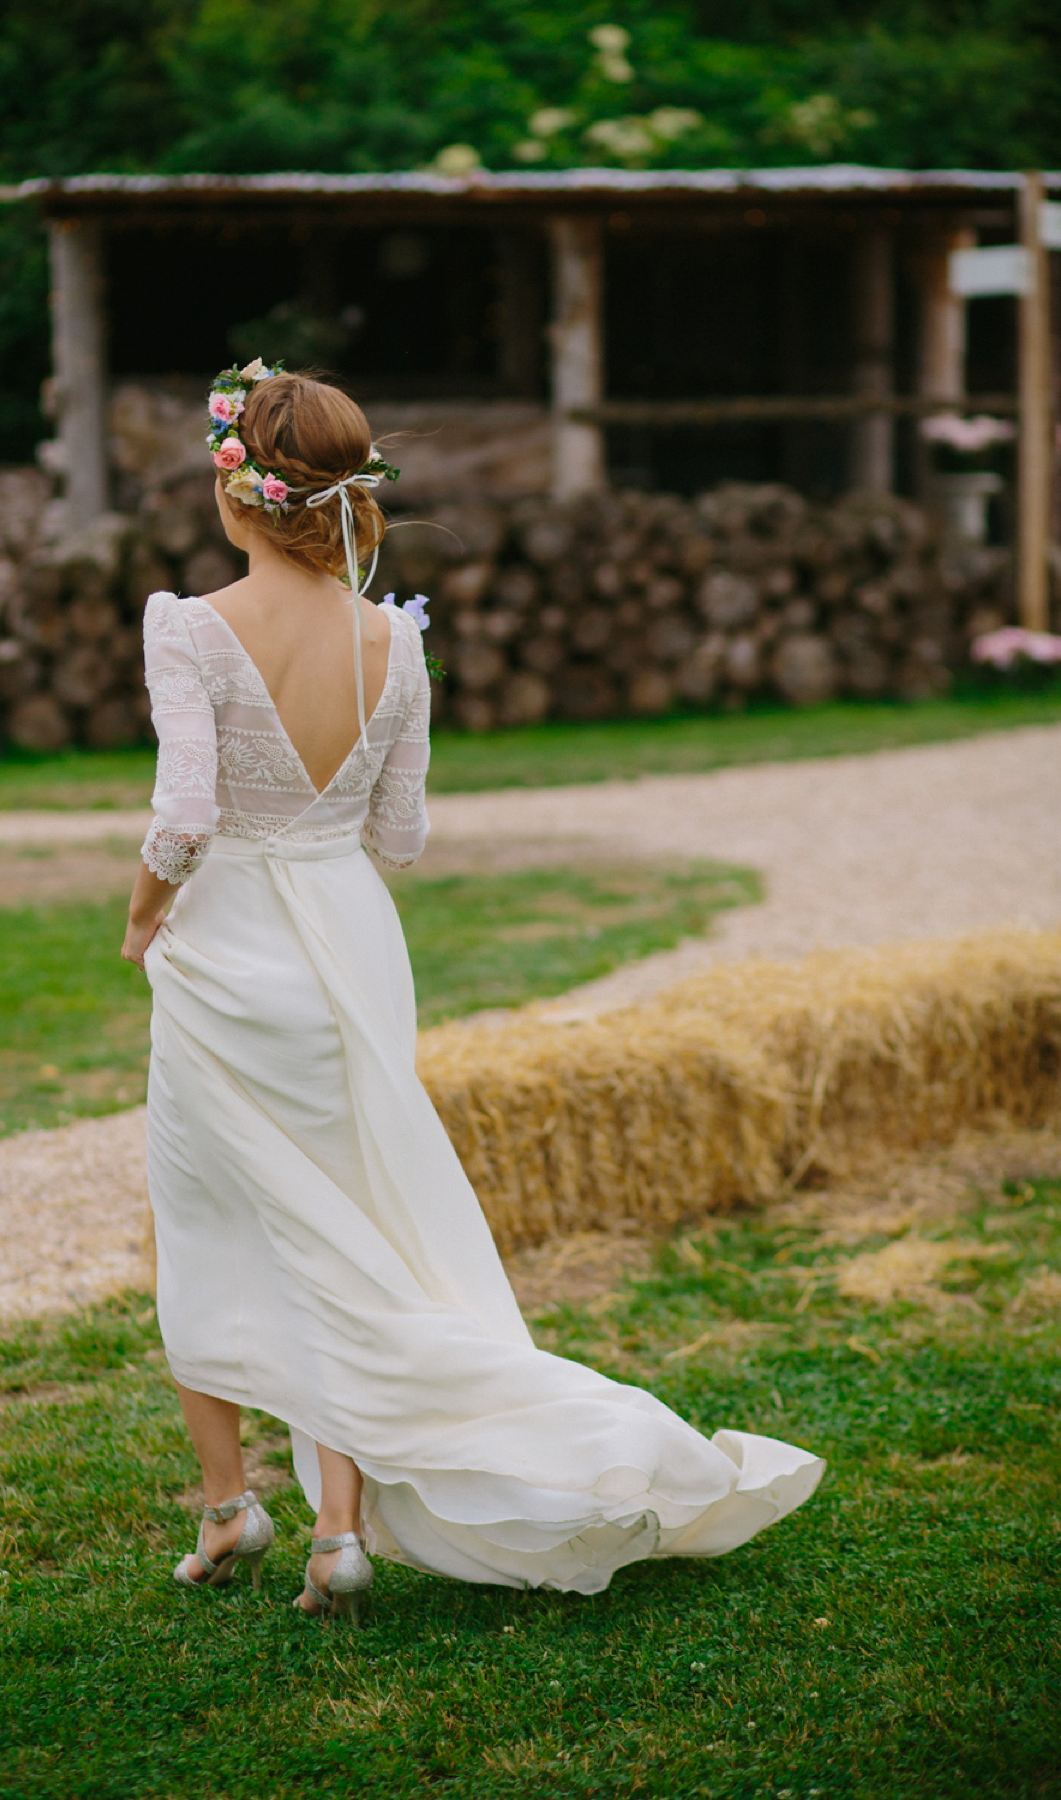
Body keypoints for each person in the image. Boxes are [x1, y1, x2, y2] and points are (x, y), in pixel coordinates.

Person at [120, 360, 823, 1622]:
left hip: (229, 947)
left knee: (204, 1213)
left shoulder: (189, 626)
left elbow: (183, 815)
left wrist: (143, 915)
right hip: (347, 936)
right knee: (353, 1226)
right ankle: (340, 1527)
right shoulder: (399, 639)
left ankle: (230, 1509)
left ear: (237, 490)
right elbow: (402, 839)